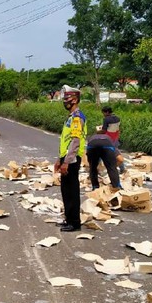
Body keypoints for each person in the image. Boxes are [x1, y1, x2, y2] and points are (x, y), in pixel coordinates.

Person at [54, 85, 87, 232]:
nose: (65, 103)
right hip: (66, 158)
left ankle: (74, 222)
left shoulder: (77, 118)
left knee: (72, 191)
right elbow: (65, 141)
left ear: (75, 100)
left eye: (67, 100)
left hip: (72, 159)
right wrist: (59, 160)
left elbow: (75, 141)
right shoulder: (71, 117)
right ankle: (68, 219)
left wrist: (66, 162)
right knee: (65, 190)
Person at [86, 126, 122, 190]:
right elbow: (120, 159)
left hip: (92, 146)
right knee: (111, 168)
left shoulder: (92, 137)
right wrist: (114, 166)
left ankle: (95, 187)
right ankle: (116, 186)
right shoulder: (108, 138)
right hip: (107, 146)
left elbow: (88, 154)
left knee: (93, 168)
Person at [101, 106, 125, 173]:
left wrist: (98, 131)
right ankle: (122, 168)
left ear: (107, 112)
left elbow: (104, 130)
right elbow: (118, 128)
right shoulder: (117, 118)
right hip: (115, 138)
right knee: (116, 153)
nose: (103, 114)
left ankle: (100, 169)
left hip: (108, 139)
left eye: (103, 113)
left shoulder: (106, 119)